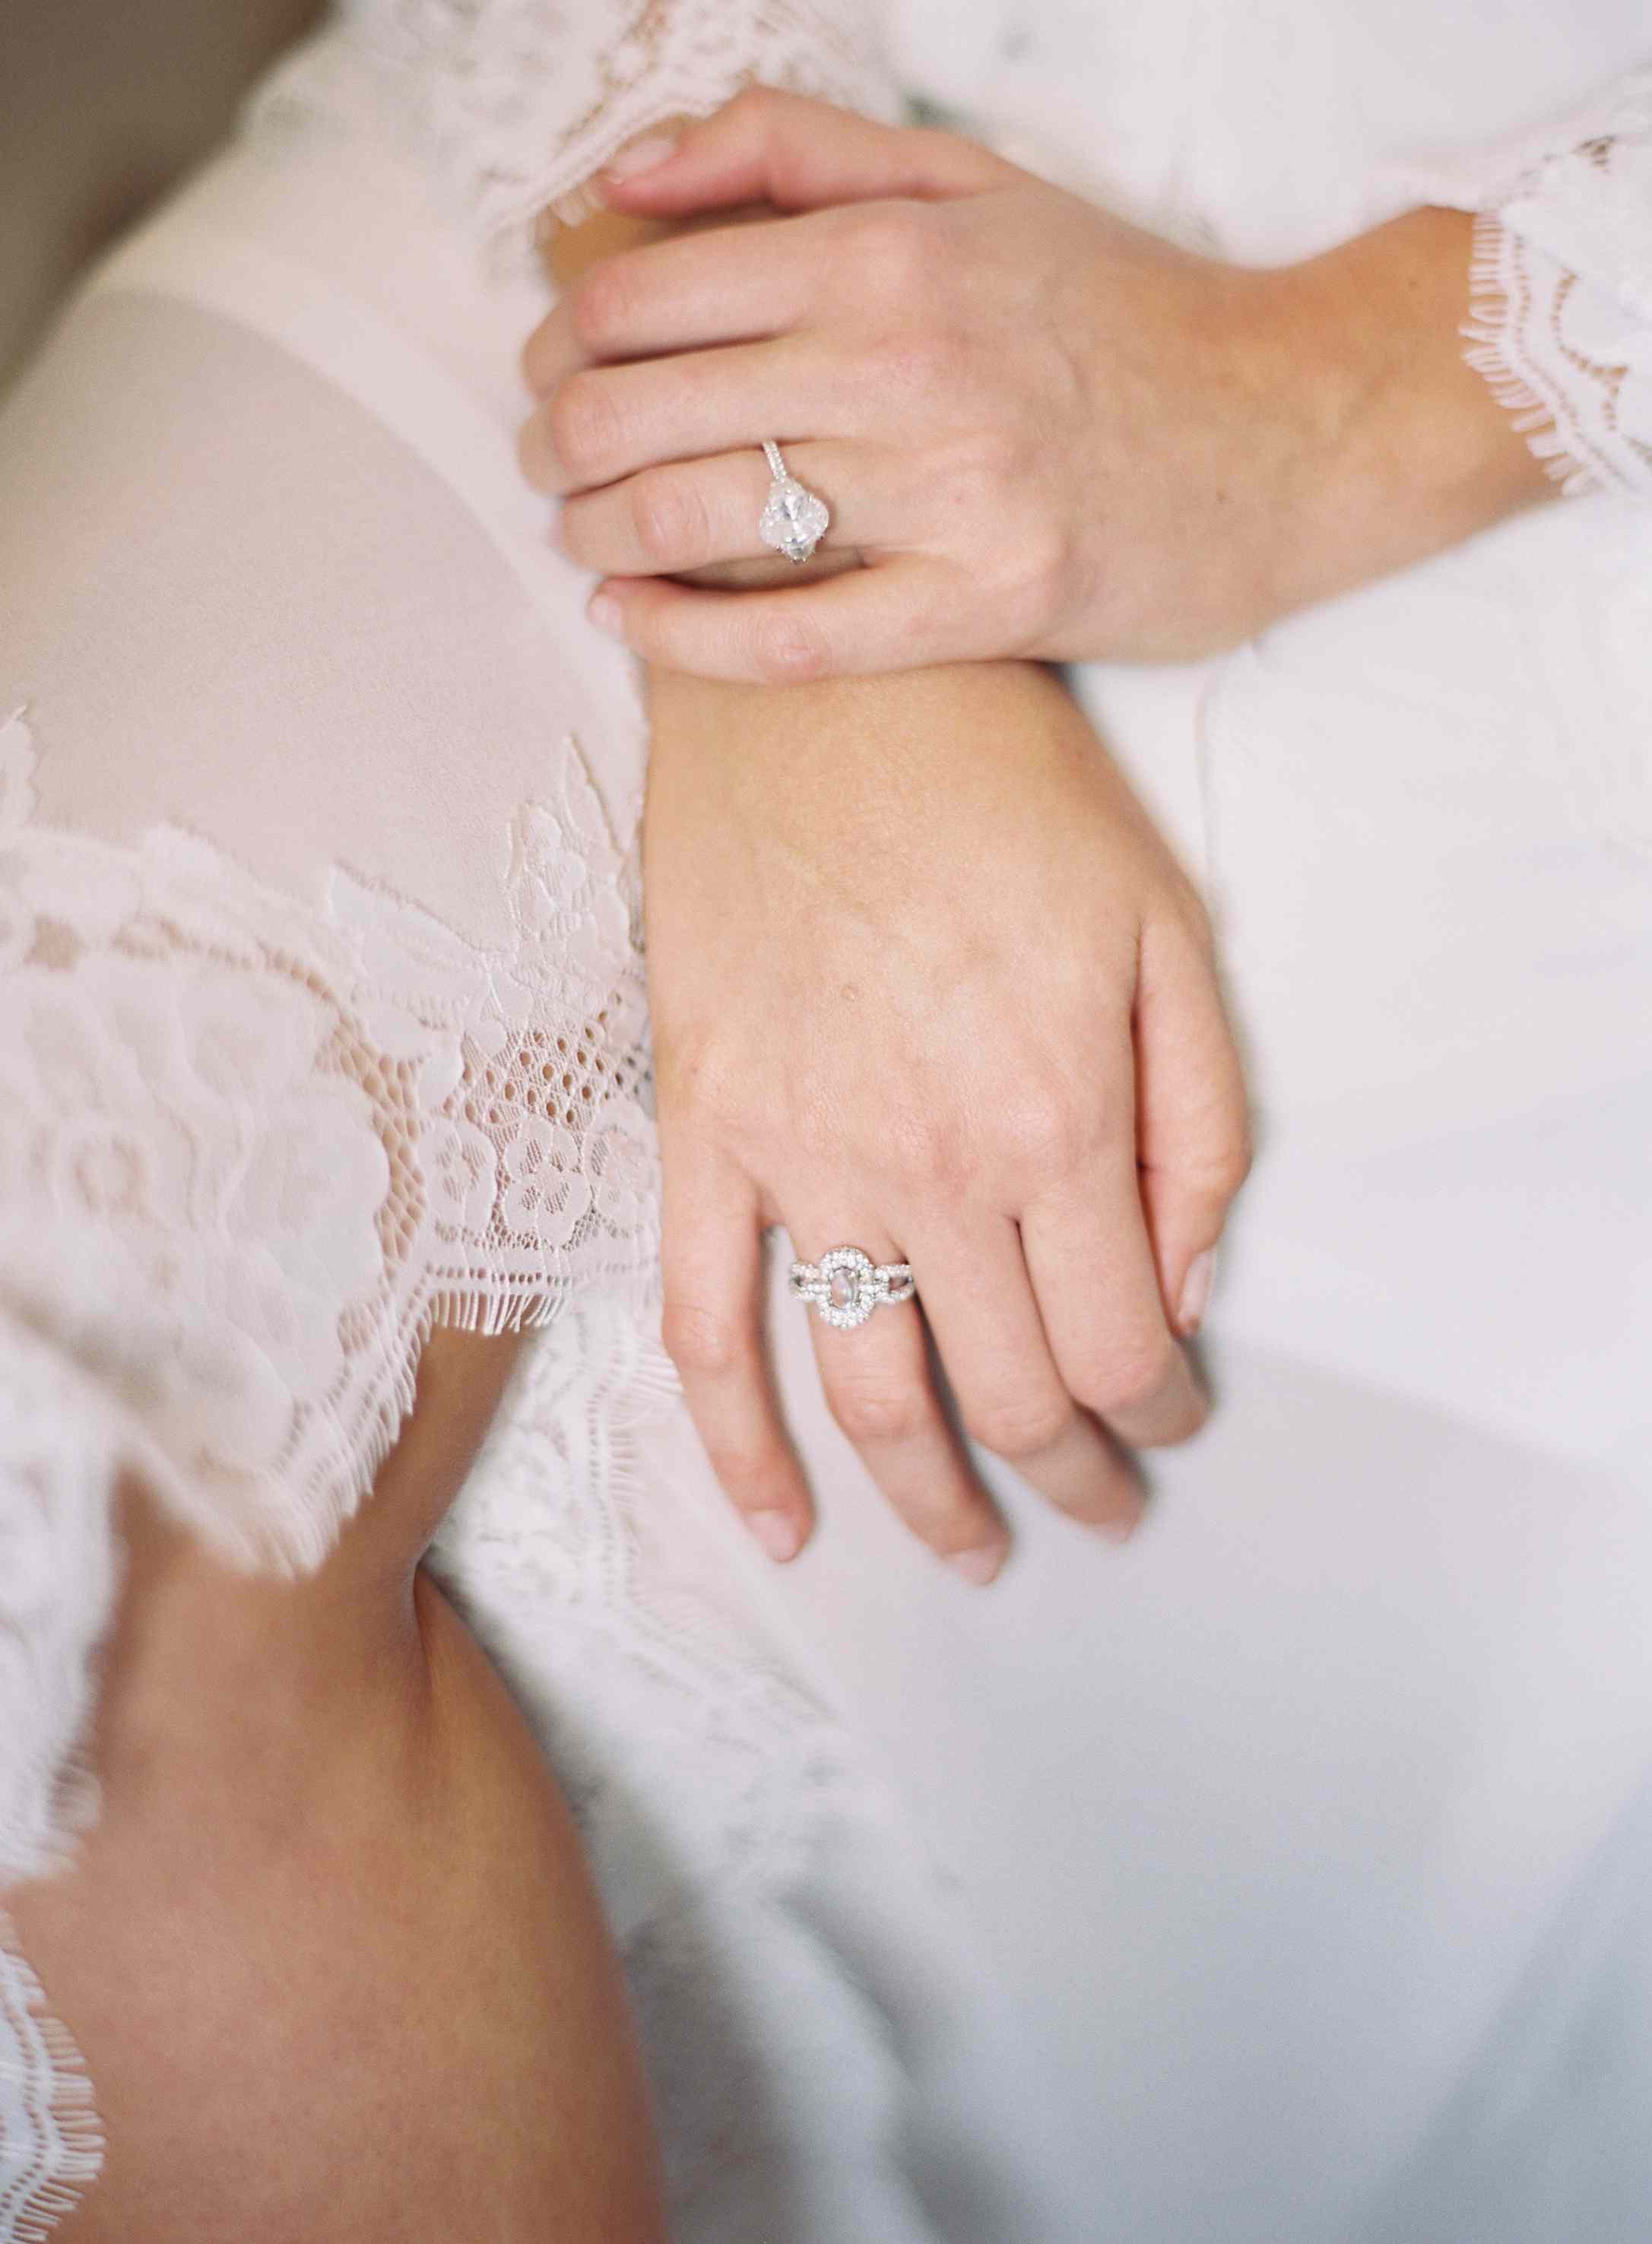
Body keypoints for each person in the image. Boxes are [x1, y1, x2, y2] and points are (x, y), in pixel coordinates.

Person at [0, 5, 1648, 2242]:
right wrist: (808, 592)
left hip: (1525, 421)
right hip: (625, 122)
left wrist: (1362, 385)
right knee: (90, 1472)